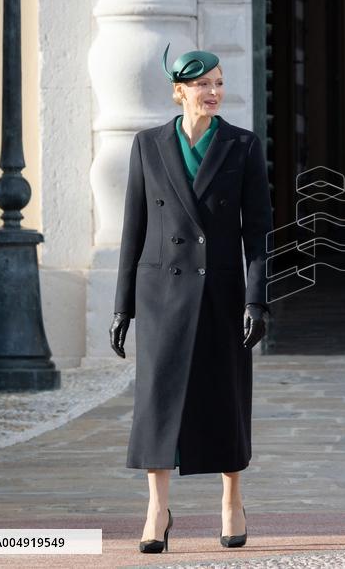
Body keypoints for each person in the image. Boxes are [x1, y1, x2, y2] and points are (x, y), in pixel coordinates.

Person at [109, 45, 273, 553]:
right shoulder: (148, 144)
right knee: (157, 399)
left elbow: (260, 232)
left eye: (219, 83)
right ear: (179, 90)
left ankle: (231, 498)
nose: (214, 92)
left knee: (225, 396)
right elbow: (133, 228)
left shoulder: (243, 146)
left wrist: (256, 300)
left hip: (222, 292)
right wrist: (122, 306)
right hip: (161, 294)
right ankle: (157, 508)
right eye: (203, 84)